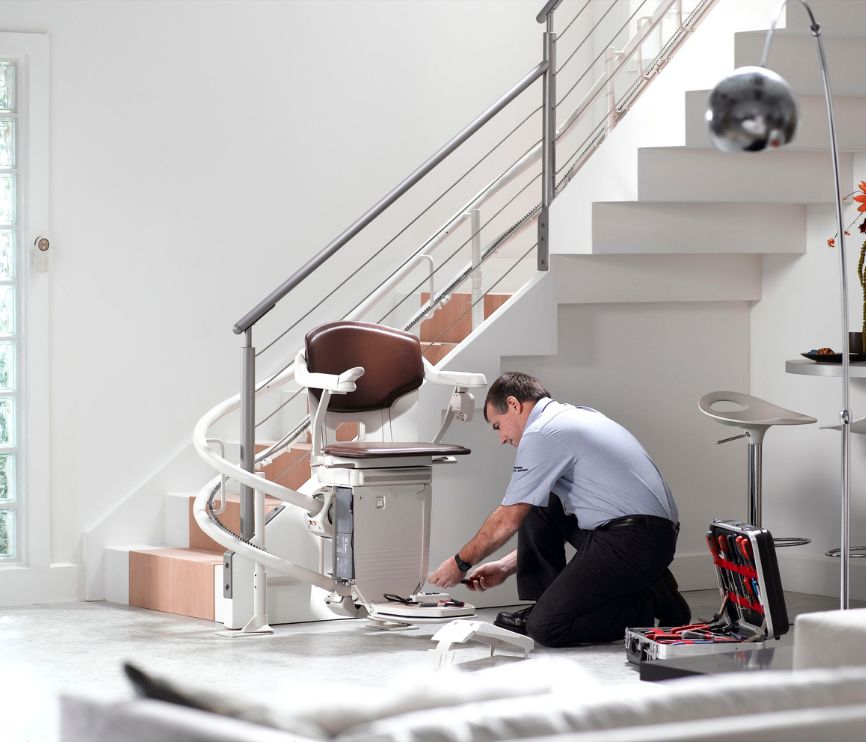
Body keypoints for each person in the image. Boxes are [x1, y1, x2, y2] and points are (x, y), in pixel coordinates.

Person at [428, 371, 690, 647]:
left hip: (635, 540)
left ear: (514, 405)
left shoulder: (541, 432)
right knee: (537, 503)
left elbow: (507, 519)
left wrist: (460, 563)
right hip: (646, 535)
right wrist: (505, 567)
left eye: (498, 425)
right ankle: (547, 603)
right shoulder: (574, 416)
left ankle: (649, 602)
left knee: (545, 628)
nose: (502, 438)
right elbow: (556, 515)